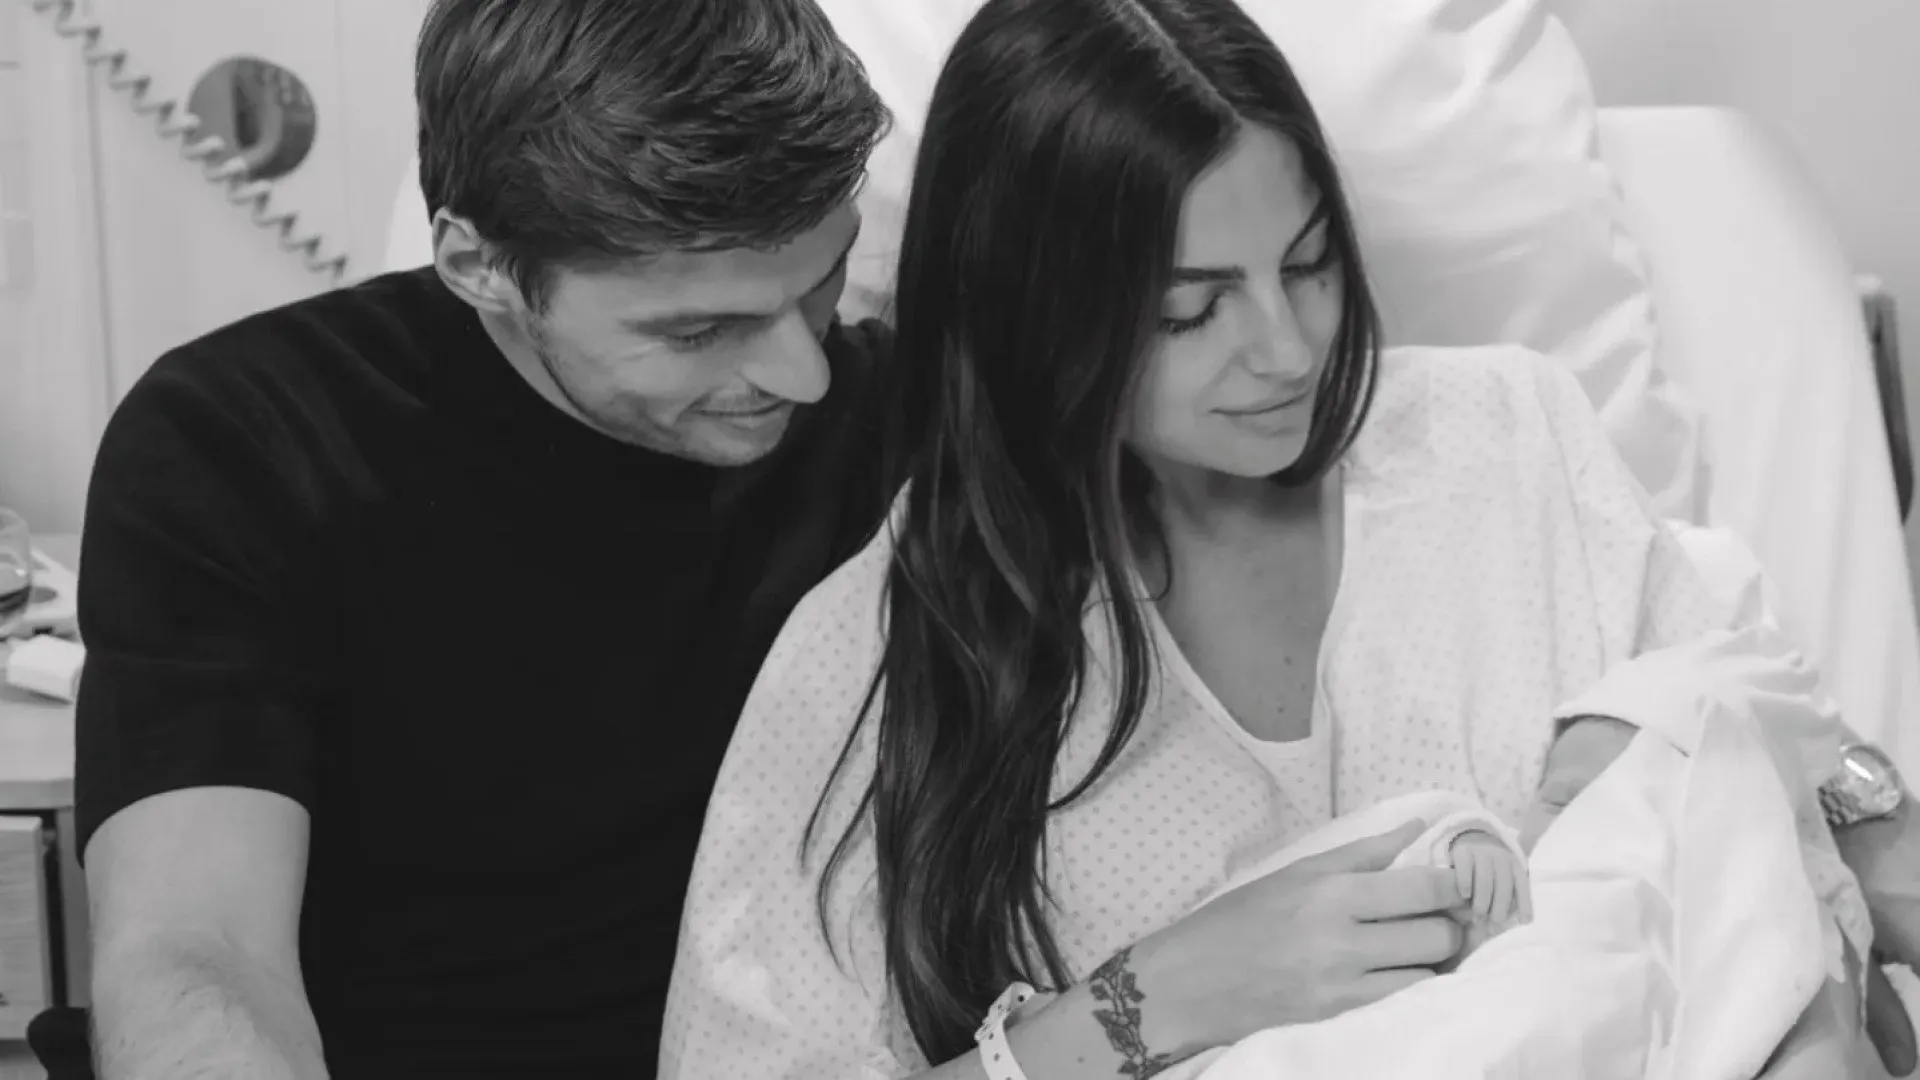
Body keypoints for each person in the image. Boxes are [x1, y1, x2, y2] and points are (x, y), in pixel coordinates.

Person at [659, 0, 1920, 1077]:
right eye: (1189, 313)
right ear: (1032, 311)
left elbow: (1753, 772)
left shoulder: (1510, 442)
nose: (1287, 349)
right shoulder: (888, 658)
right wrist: (1149, 1002)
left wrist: (1830, 904)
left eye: (1308, 263)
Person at [67, 0, 897, 1076]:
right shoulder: (244, 443)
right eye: (699, 330)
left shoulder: (902, 425)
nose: (805, 374)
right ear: (480, 267)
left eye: (821, 283)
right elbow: (198, 949)